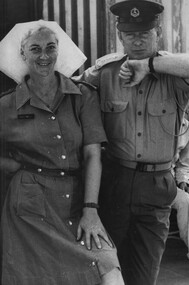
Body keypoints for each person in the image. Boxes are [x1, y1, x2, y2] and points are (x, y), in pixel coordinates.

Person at [74, 1, 189, 284]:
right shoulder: (105, 73)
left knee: (144, 276)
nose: (138, 39)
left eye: (145, 32)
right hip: (114, 181)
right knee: (107, 271)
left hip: (156, 187)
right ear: (120, 36)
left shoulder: (173, 74)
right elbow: (68, 91)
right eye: (130, 34)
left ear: (159, 33)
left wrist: (149, 64)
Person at [0, 21, 124, 285]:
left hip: (77, 201)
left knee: (107, 267)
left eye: (50, 47)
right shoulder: (7, 105)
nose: (44, 56)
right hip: (29, 209)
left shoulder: (82, 96)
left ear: (58, 51)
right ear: (23, 55)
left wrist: (91, 210)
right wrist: (13, 167)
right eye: (35, 49)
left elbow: (93, 155)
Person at [171, 118, 189, 263]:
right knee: (185, 201)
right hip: (161, 181)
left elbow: (183, 165)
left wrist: (183, 181)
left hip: (175, 177)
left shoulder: (187, 127)